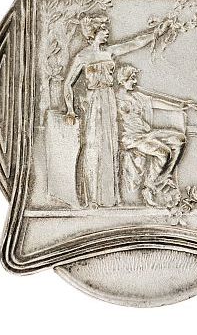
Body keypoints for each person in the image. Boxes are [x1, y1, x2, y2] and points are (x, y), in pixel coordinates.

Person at [62, 16, 154, 208]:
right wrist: (70, 109)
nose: (107, 33)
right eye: (104, 30)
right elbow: (68, 83)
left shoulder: (109, 52)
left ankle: (110, 197)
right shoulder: (83, 57)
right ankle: (92, 198)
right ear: (94, 32)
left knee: (110, 145)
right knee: (93, 145)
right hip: (93, 101)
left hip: (108, 99)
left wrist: (156, 33)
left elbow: (134, 43)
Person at [116, 64, 197, 207]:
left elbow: (161, 103)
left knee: (180, 140)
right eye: (132, 78)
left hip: (146, 134)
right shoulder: (114, 99)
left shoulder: (139, 97)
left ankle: (162, 178)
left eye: (135, 78)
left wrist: (186, 105)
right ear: (122, 80)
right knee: (164, 152)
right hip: (131, 139)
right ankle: (149, 187)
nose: (135, 81)